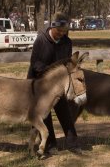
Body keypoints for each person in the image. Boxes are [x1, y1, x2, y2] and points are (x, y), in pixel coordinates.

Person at [27, 12, 82, 157]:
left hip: (58, 84)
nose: (61, 34)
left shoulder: (67, 42)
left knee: (65, 113)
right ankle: (50, 145)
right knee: (45, 115)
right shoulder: (41, 40)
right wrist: (50, 72)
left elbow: (67, 63)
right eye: (59, 31)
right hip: (39, 83)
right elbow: (35, 63)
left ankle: (73, 143)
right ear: (53, 27)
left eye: (64, 32)